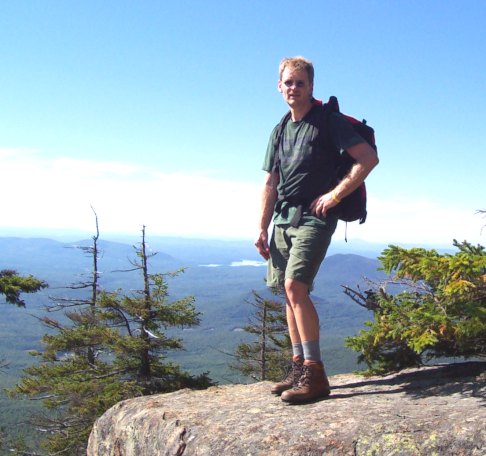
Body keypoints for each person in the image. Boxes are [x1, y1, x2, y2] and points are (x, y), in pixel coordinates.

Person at [255, 56, 379, 404]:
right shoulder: (279, 129)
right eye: (288, 83)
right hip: (283, 218)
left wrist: (336, 194)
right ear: (279, 87)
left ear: (311, 87)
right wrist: (261, 227)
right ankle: (298, 366)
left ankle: (315, 373)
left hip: (314, 216)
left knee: (296, 286)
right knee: (286, 290)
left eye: (300, 83)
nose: (293, 88)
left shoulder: (328, 122)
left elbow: (367, 158)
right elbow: (270, 182)